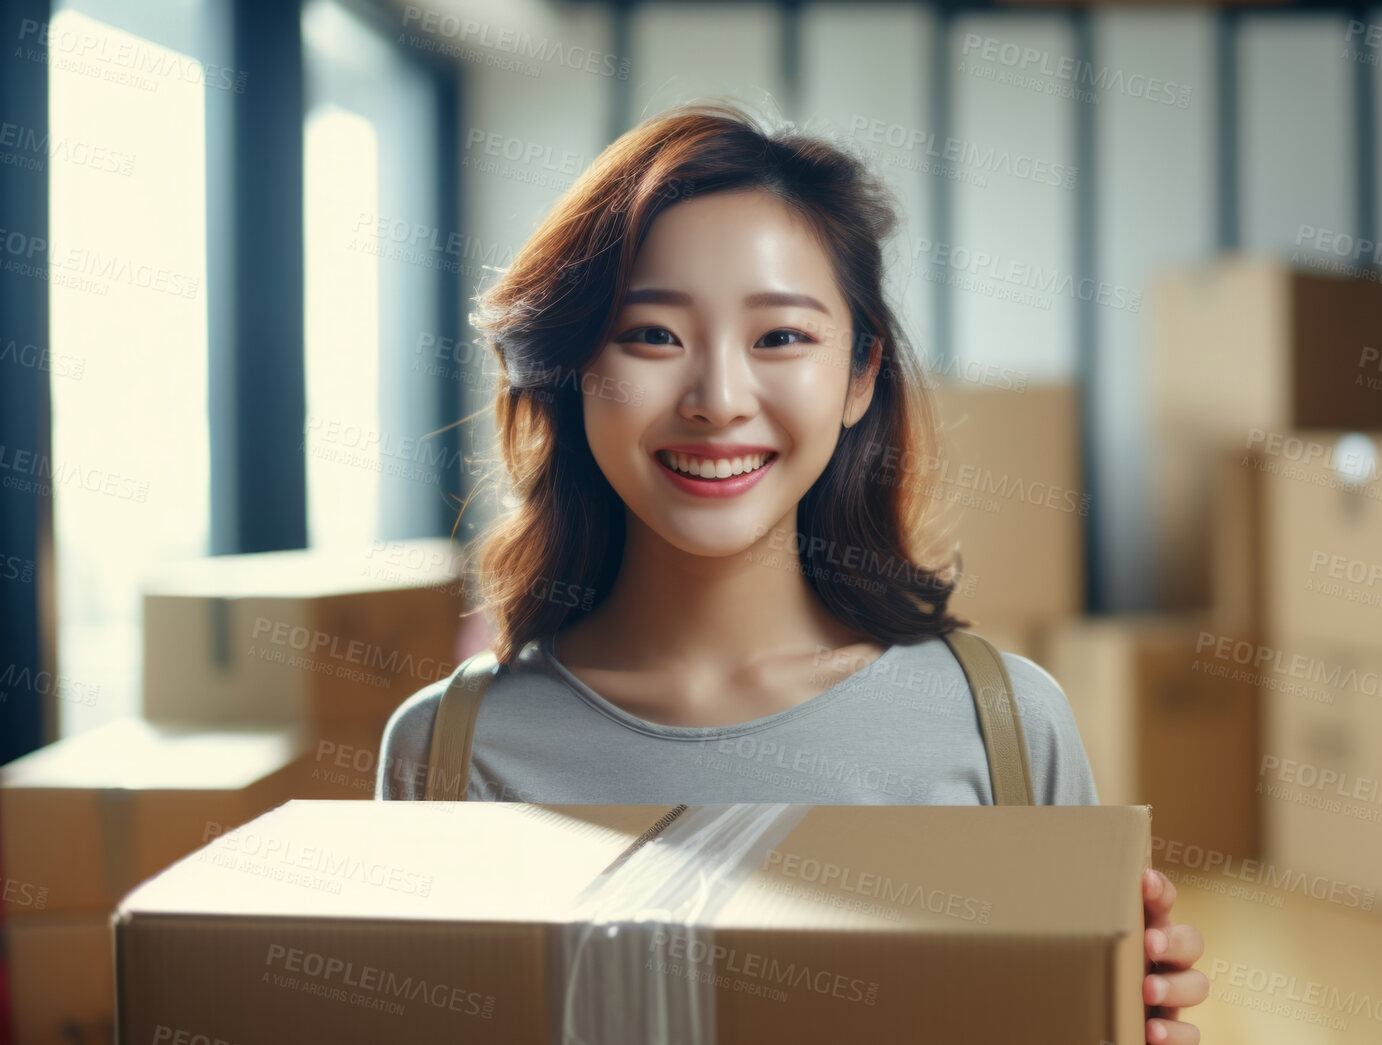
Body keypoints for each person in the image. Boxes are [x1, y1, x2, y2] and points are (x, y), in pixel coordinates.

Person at [377, 101, 1208, 1043]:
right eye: (652, 334)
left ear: (860, 376)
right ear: (573, 371)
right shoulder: (447, 749)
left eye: (780, 338)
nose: (718, 400)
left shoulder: (1006, 727)